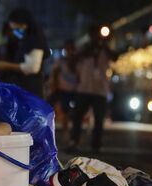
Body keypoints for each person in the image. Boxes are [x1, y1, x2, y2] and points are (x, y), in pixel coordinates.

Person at [69, 25, 117, 153]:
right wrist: (88, 50)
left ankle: (96, 145)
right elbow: (72, 62)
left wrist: (104, 45)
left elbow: (115, 57)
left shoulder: (105, 49)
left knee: (99, 119)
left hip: (100, 90)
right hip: (84, 88)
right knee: (77, 117)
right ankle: (75, 142)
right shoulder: (85, 49)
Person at [0, 8, 49, 98]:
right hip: (24, 91)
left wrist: (5, 65)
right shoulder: (25, 41)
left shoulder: (35, 40)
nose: (15, 32)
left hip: (31, 93)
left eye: (16, 28)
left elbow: (32, 68)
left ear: (24, 24)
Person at [48, 40, 78, 145]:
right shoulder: (61, 62)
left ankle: (70, 136)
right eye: (67, 49)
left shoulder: (78, 62)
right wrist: (54, 86)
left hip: (74, 91)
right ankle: (62, 134)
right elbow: (55, 74)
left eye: (71, 49)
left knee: (71, 114)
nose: (69, 51)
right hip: (61, 90)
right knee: (51, 109)